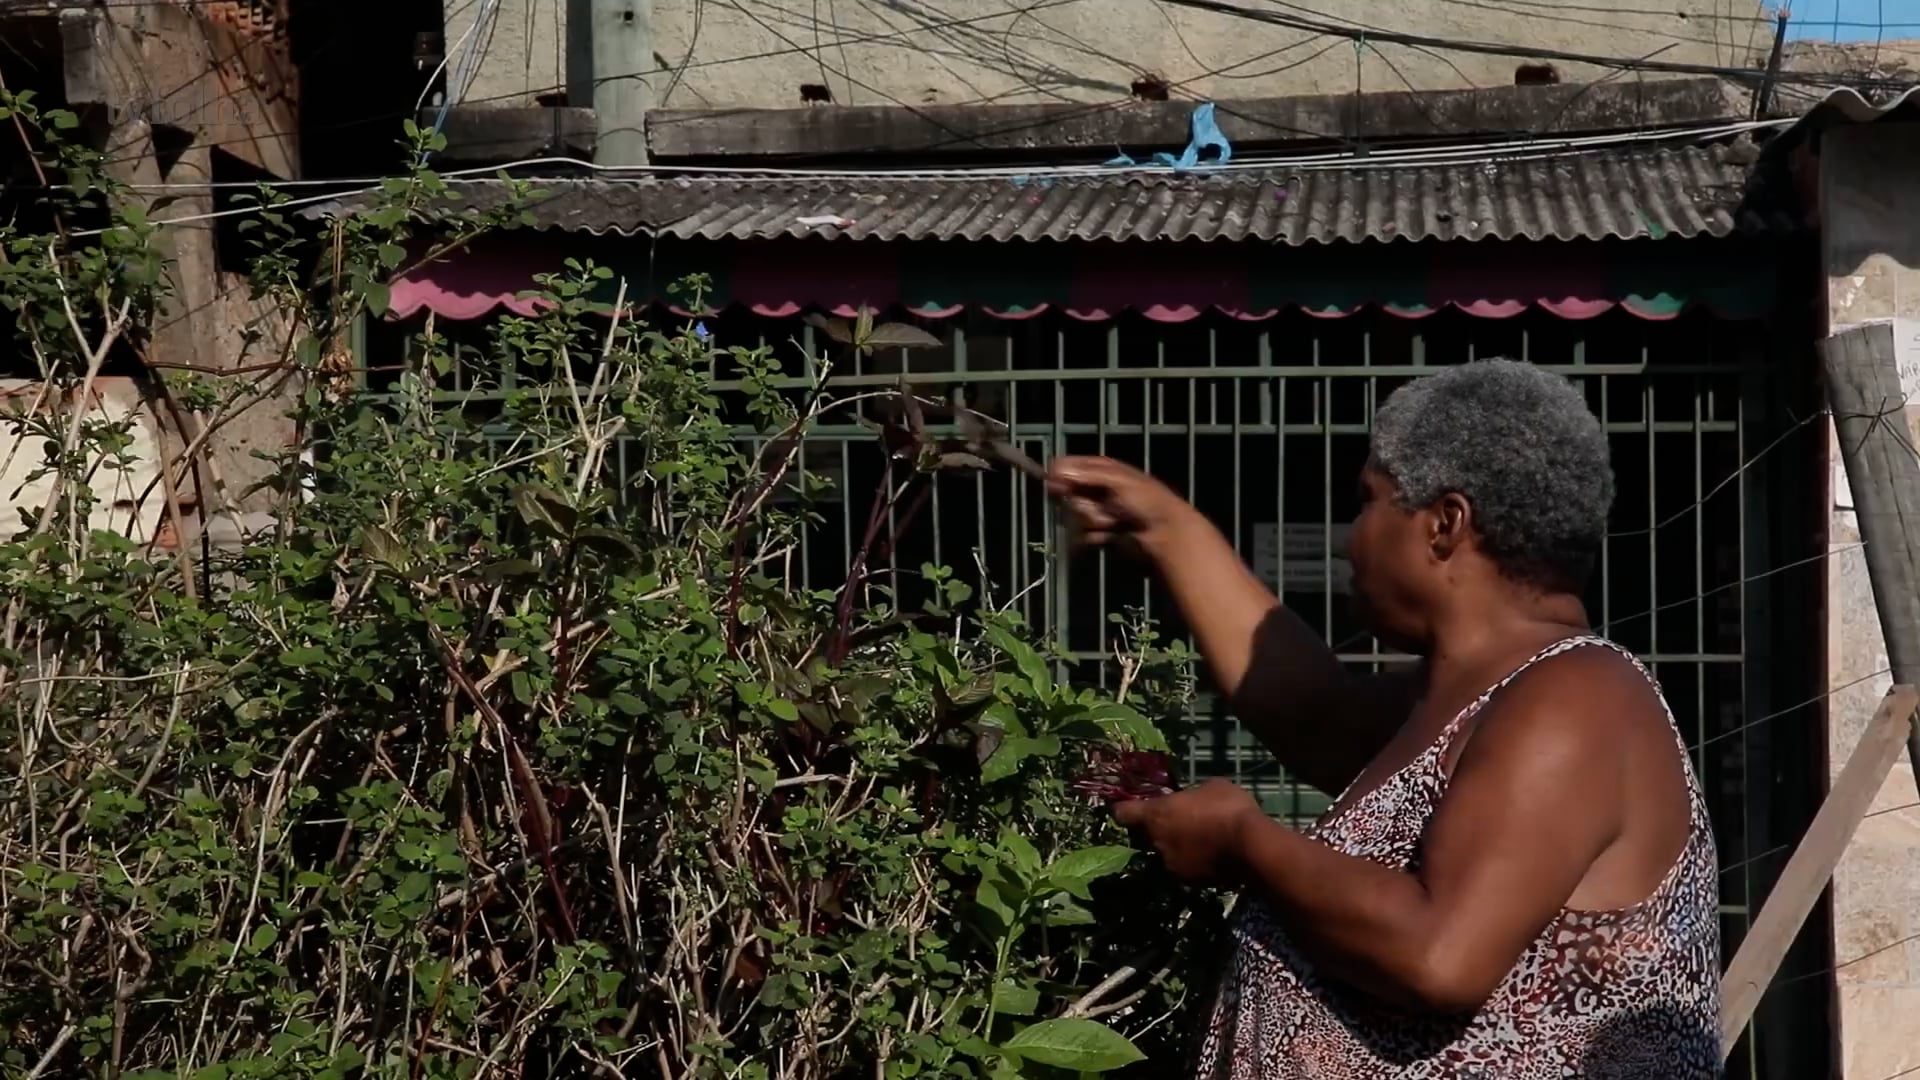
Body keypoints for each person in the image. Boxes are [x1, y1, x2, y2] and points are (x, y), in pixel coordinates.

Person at [1047, 359, 1719, 1079]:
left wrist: (1244, 842)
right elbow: (1315, 716)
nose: (1351, 538)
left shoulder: (1578, 698)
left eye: (1369, 501)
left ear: (1444, 525)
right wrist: (1167, 530)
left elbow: (1441, 955)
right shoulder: (1466, 701)